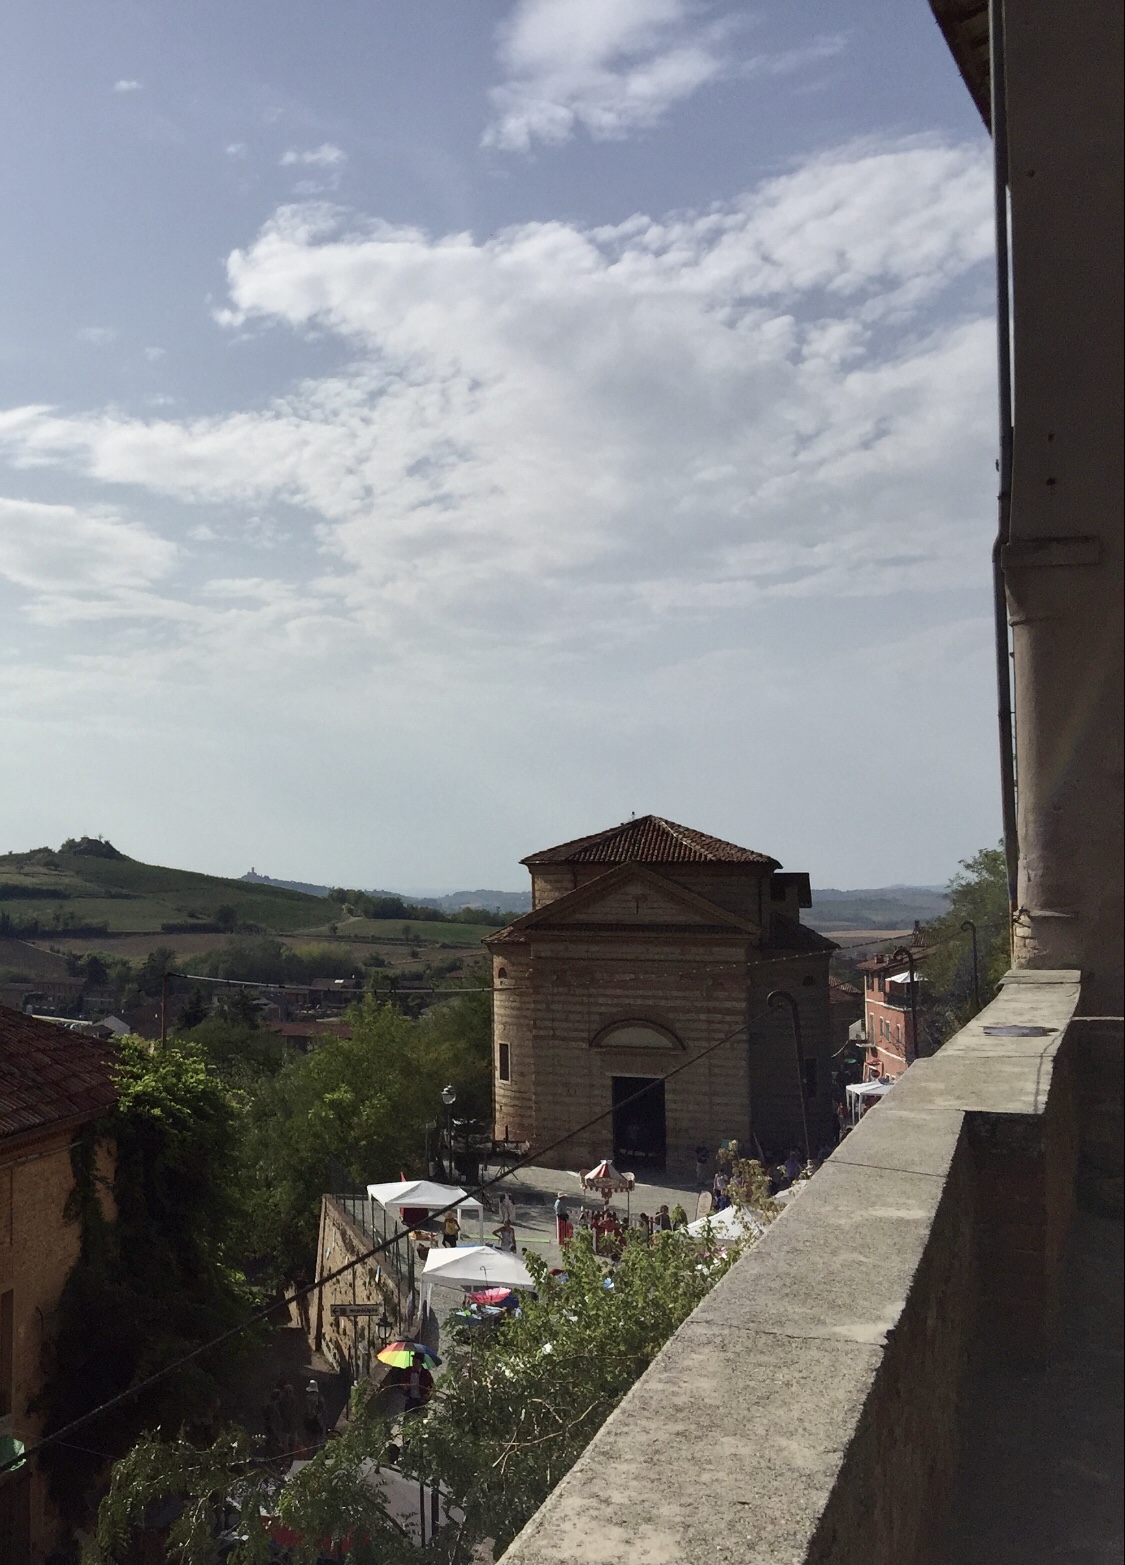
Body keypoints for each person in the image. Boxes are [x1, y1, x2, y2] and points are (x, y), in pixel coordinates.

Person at [301, 1378, 328, 1452]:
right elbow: (323, 1409)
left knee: (310, 1437)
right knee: (318, 1437)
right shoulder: (319, 1398)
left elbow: (304, 1409)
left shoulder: (307, 1398)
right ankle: (317, 1453)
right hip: (317, 1419)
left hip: (308, 1420)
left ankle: (310, 1452)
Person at [262, 1386, 284, 1459]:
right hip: (272, 1429)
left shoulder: (275, 1406)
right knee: (273, 1445)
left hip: (275, 1429)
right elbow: (271, 1419)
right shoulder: (271, 1406)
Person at [278, 1381, 299, 1454]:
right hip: (285, 1424)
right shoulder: (282, 1401)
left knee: (294, 1441)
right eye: (288, 1391)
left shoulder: (295, 1400)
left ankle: (292, 1455)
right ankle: (286, 1455)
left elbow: (297, 1411)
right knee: (285, 1442)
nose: (289, 1393)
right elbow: (280, 1412)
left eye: (290, 1391)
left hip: (293, 1424)